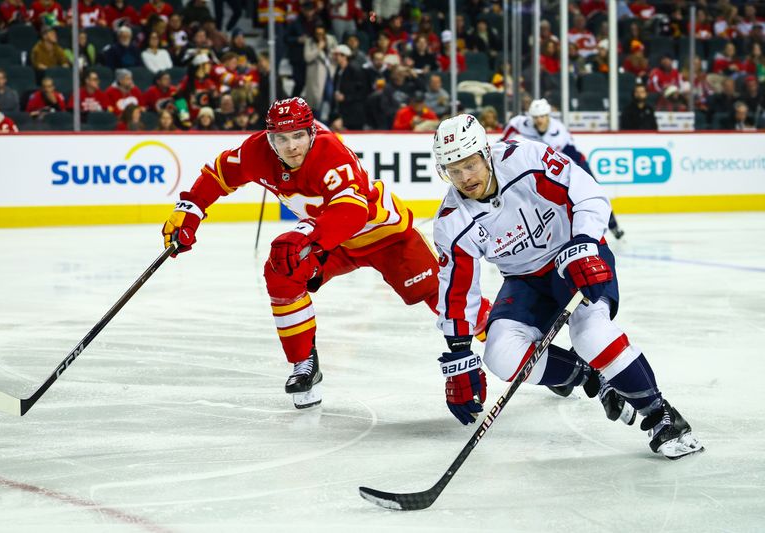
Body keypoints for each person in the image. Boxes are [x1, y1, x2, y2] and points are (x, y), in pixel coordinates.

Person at [161, 97, 490, 409]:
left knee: (445, 299)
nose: (291, 146)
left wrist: (305, 234)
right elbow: (219, 174)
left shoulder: (331, 153)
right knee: (281, 271)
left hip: (386, 238)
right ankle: (304, 362)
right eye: (281, 139)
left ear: (312, 132)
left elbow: (351, 212)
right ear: (269, 138)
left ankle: (511, 338)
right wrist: (190, 209)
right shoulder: (255, 152)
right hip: (333, 243)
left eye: (298, 136)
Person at [430, 114, 704, 460]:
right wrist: (458, 354)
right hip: (524, 280)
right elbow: (457, 290)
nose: (464, 178)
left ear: (486, 152)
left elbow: (587, 193)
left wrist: (585, 243)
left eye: (470, 164)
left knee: (591, 334)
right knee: (501, 355)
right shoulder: (452, 222)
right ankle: (589, 374)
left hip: (573, 259)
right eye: (453, 170)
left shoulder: (527, 160)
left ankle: (661, 415)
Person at [502, 98, 625, 240]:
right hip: (550, 163)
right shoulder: (523, 123)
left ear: (548, 116)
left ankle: (613, 226)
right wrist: (502, 143)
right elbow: (512, 126)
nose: (539, 120)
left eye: (542, 116)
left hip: (574, 162)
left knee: (593, 193)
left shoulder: (557, 132)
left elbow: (558, 159)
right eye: (536, 117)